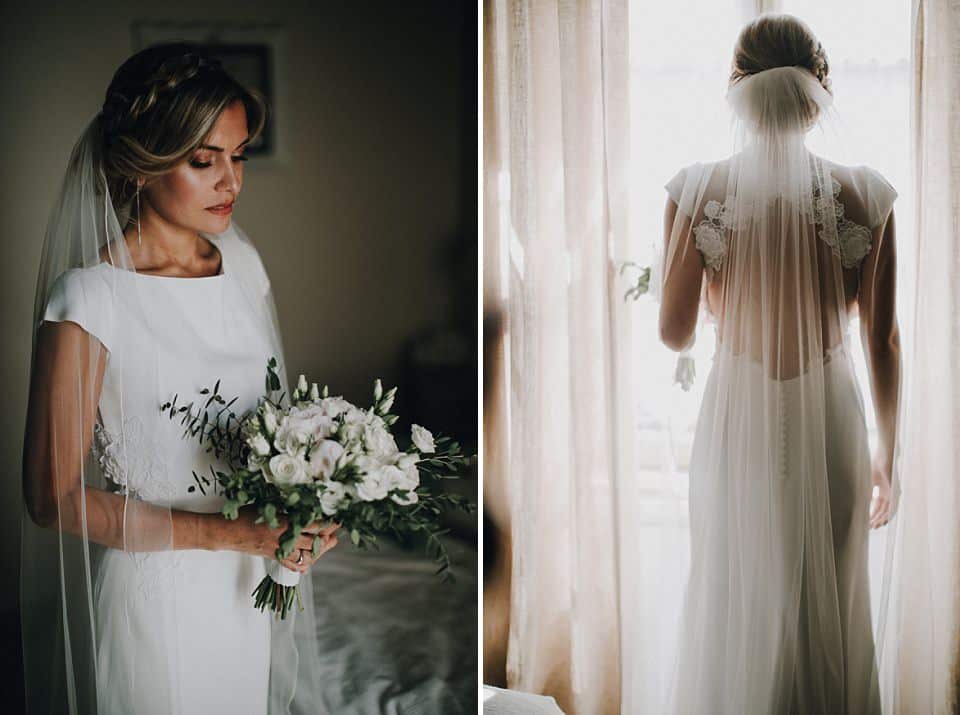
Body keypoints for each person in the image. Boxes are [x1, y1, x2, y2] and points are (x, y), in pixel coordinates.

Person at [20, 43, 339, 714]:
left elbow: (272, 430)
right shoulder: (89, 299)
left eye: (239, 155)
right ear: (143, 165)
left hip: (248, 591)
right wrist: (231, 534)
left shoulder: (242, 265)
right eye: (204, 161)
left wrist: (304, 507)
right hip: (155, 604)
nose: (232, 182)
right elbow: (52, 499)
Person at [658, 14, 900, 714]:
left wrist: (715, 289)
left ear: (739, 87)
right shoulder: (867, 193)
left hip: (738, 413)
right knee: (830, 604)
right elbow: (882, 340)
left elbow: (674, 334)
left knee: (737, 599)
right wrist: (891, 452)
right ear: (817, 90)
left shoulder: (698, 190)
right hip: (832, 416)